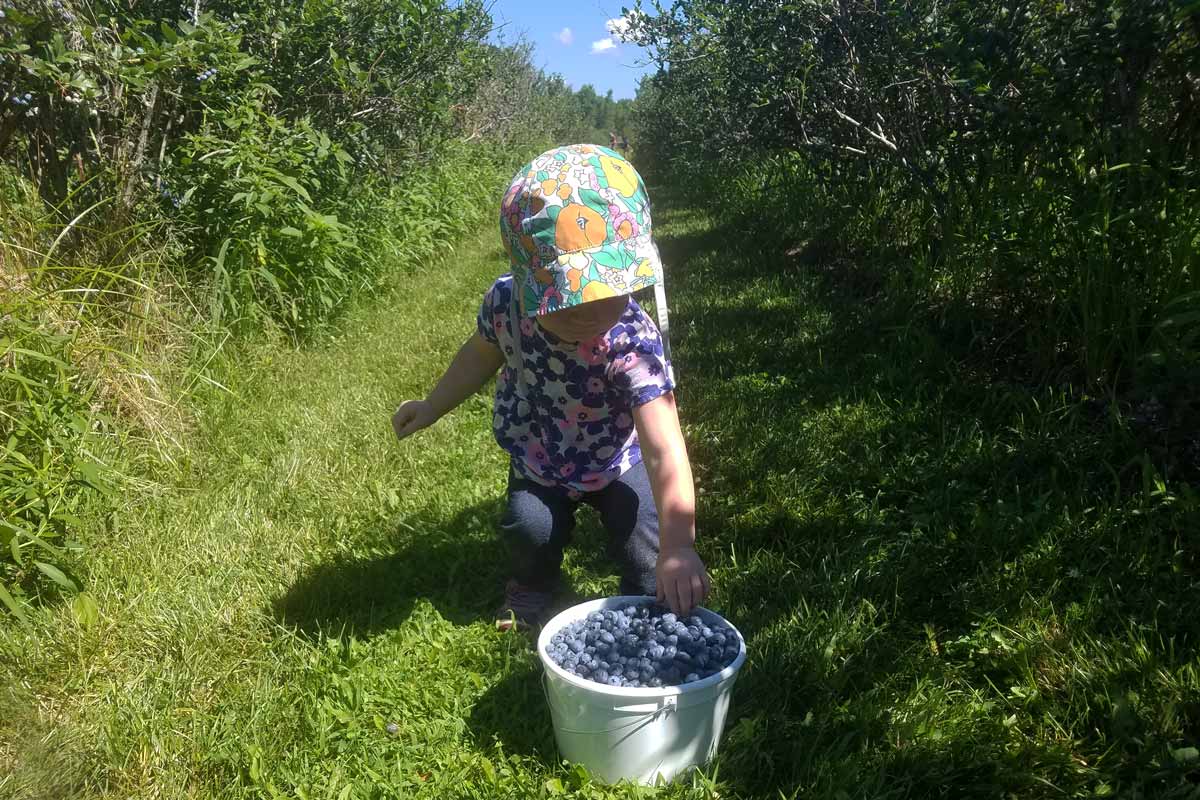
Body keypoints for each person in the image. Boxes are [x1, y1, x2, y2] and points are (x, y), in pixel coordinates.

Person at [391, 144, 709, 630]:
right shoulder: (507, 304)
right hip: (540, 450)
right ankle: (532, 586)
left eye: (606, 289)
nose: (588, 311)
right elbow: (480, 355)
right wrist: (432, 405)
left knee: (644, 538)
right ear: (527, 281)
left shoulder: (631, 340)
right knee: (529, 529)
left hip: (615, 456)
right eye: (565, 297)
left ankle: (649, 599)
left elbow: (664, 448)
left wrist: (679, 545)